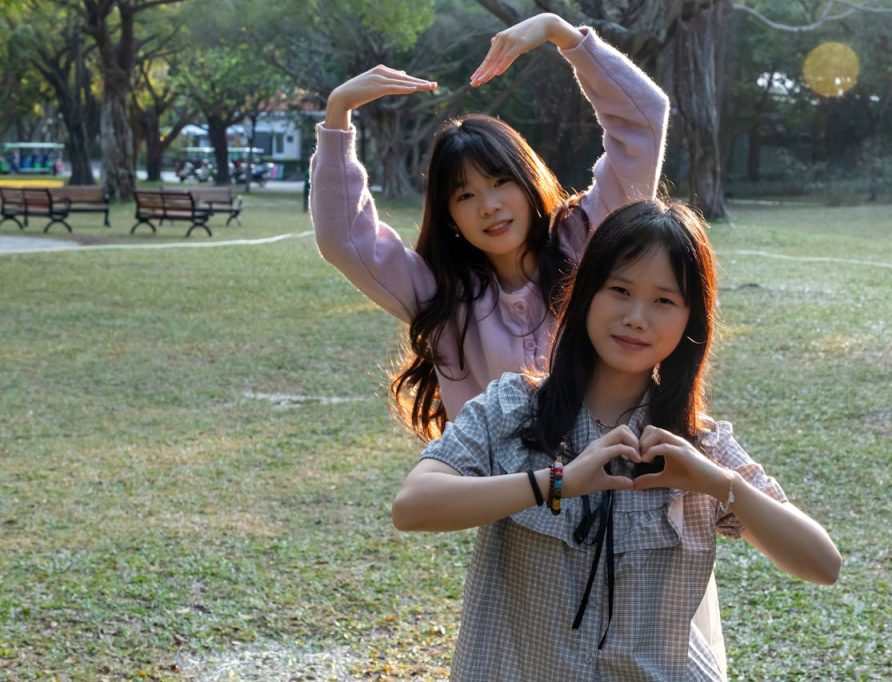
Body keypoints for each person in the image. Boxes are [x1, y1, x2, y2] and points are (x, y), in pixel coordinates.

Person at [392, 199, 842, 680]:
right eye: (620, 290)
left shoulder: (696, 446)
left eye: (664, 301)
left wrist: (717, 482)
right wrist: (558, 481)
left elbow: (822, 563)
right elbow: (413, 506)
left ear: (691, 321)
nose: (636, 317)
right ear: (586, 294)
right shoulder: (513, 409)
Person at [309, 12, 669, 440]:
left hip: (606, 482)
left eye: (501, 182)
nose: (489, 207)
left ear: (529, 180)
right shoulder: (438, 293)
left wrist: (564, 35)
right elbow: (343, 240)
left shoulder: (587, 237)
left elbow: (644, 122)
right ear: (450, 217)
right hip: (499, 499)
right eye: (465, 195)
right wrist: (337, 115)